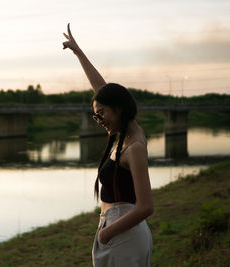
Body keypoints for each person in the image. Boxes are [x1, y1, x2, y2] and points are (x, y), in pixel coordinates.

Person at [62, 23, 154, 267]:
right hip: (118, 229)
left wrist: (106, 233)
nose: (99, 120)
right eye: (96, 115)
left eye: (101, 114)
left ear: (119, 109)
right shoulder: (126, 131)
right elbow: (102, 90)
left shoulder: (133, 147)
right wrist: (78, 52)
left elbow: (146, 206)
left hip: (122, 233)